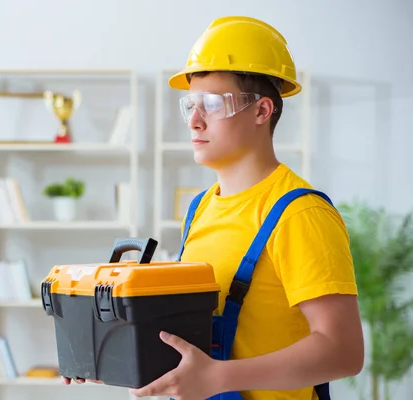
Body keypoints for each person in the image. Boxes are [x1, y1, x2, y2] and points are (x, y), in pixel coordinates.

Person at [63, 15, 364, 400]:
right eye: (191, 104)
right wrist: (112, 351)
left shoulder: (300, 214)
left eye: (212, 104)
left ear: (262, 111)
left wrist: (220, 377)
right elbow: (195, 341)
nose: (195, 120)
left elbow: (343, 352)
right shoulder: (201, 207)